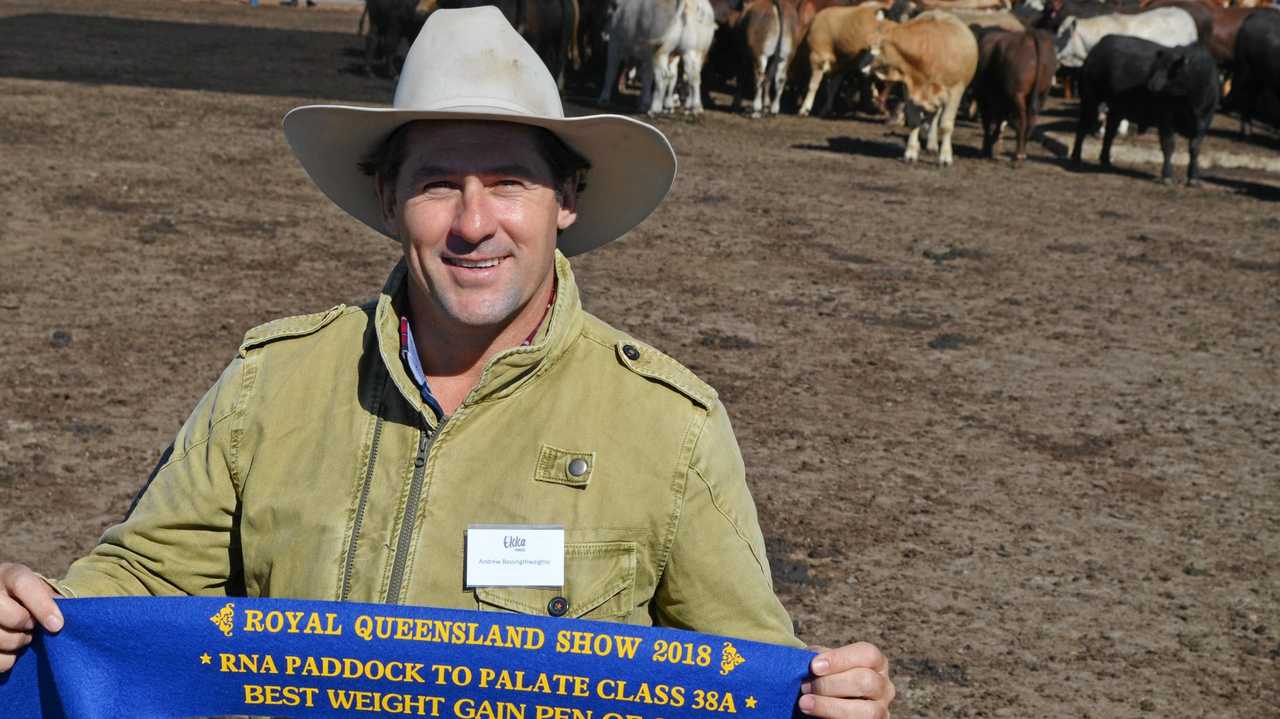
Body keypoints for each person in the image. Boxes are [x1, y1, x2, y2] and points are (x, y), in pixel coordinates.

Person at [0, 8, 894, 717]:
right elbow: (142, 585)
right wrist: (31, 611)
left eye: (508, 180)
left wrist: (827, 697)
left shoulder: (670, 427)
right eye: (437, 182)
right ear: (389, 199)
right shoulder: (271, 383)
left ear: (565, 201)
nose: (473, 223)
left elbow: (750, 672)